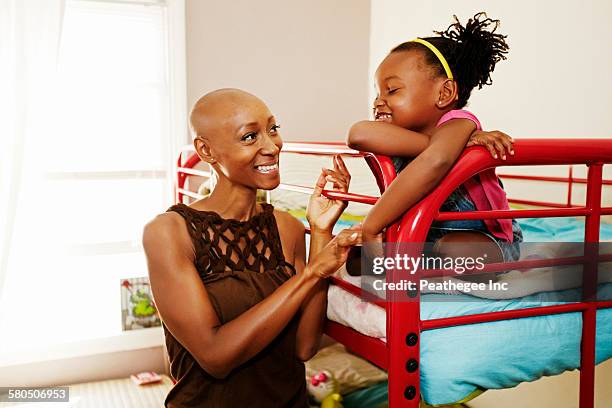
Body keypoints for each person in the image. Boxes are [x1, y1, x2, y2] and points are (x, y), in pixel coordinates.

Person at [142, 88, 361, 407]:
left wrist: (320, 229)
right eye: (250, 137)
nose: (272, 146)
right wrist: (311, 273)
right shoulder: (168, 233)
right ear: (206, 151)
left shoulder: (287, 228)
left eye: (273, 128)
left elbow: (305, 347)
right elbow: (216, 357)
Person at [347, 12, 523, 269]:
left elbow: (438, 160)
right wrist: (455, 147)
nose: (378, 101)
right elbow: (358, 134)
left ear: (445, 93)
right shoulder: (422, 137)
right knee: (352, 258)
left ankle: (415, 262)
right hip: (424, 232)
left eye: (392, 90)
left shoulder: (460, 122)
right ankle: (413, 260)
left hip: (487, 239)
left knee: (452, 250)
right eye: (377, 92)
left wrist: (372, 226)